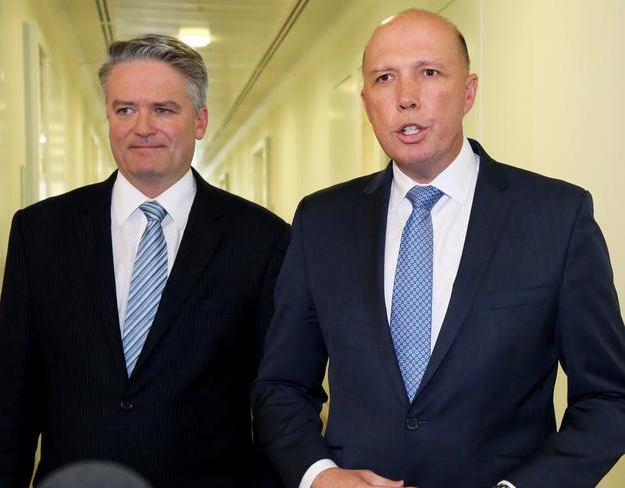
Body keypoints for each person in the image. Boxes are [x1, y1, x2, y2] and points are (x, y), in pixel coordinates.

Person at [251, 9, 625, 488]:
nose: (406, 98)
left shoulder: (555, 217)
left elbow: (608, 399)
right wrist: (319, 476)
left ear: (468, 92)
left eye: (428, 73)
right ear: (366, 102)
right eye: (385, 79)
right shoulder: (321, 222)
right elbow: (281, 386)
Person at [0, 34, 289, 487]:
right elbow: (11, 397)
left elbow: (275, 402)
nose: (142, 127)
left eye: (163, 109)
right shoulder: (41, 232)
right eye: (125, 109)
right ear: (108, 117)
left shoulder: (262, 239)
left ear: (199, 121)